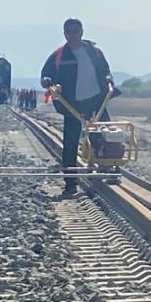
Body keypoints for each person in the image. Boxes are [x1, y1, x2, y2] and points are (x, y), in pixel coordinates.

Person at [40, 18, 116, 197]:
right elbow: (45, 74)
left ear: (81, 32)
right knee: (70, 143)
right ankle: (70, 184)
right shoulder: (59, 55)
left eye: (75, 31)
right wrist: (46, 81)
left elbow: (105, 70)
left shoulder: (94, 52)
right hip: (72, 104)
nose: (72, 35)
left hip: (96, 100)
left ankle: (109, 167)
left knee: (107, 135)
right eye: (69, 32)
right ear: (64, 33)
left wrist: (108, 79)